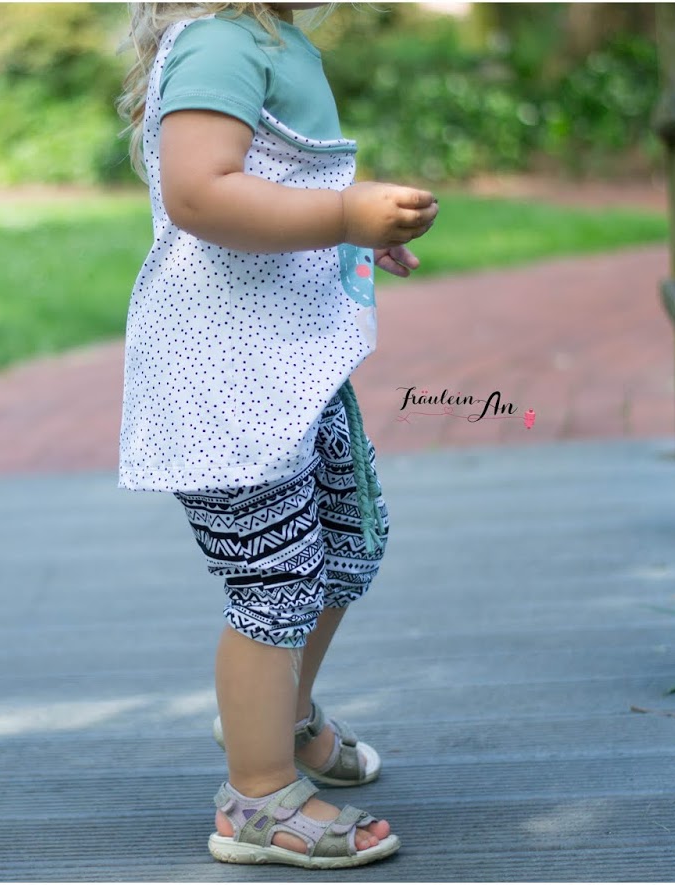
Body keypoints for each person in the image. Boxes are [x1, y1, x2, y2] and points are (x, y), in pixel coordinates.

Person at [116, 2, 438, 869]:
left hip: (288, 368)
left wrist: (352, 232)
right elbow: (199, 192)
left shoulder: (275, 41)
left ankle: (281, 712)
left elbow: (272, 188)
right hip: (227, 379)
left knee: (347, 543)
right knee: (275, 580)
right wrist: (340, 215)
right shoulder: (221, 41)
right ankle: (256, 796)